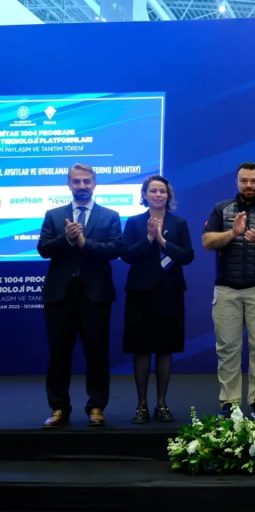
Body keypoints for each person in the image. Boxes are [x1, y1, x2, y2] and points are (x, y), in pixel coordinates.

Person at [37, 163, 124, 428]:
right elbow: (43, 249)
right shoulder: (54, 215)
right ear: (69, 184)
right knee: (59, 354)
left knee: (97, 353)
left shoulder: (110, 216)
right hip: (59, 296)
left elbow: (115, 249)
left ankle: (96, 407)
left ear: (94, 183)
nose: (82, 186)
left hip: (94, 296)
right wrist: (66, 238)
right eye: (77, 181)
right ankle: (58, 408)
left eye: (87, 181)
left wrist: (85, 243)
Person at [202, 162, 255, 419]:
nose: (249, 185)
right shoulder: (221, 209)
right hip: (227, 289)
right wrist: (232, 233)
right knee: (227, 347)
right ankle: (229, 402)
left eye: (253, 181)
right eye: (244, 180)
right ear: (237, 182)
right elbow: (207, 241)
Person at [121, 175, 194, 423]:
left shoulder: (178, 223)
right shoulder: (134, 222)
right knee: (141, 349)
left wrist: (163, 241)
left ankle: (161, 404)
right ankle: (141, 405)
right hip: (140, 294)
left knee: (165, 349)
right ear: (144, 195)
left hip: (170, 294)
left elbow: (187, 256)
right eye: (153, 191)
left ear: (168, 195)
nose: (158, 195)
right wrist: (149, 239)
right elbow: (127, 255)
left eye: (162, 191)